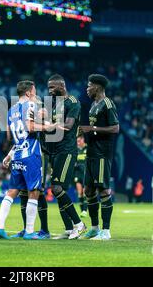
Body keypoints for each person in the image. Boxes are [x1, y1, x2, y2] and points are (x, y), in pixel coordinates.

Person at [0, 81, 63, 240]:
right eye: (34, 91)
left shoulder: (11, 110)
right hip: (31, 154)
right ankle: (30, 232)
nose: (35, 94)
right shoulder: (30, 105)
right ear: (28, 93)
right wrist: (49, 127)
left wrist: (10, 154)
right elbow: (31, 128)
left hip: (17, 154)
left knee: (12, 191)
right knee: (34, 191)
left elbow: (10, 136)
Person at [46, 74, 87, 240]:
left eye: (51, 87)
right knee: (57, 190)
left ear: (61, 86)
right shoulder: (55, 104)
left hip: (67, 151)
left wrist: (50, 124)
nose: (49, 91)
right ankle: (69, 229)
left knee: (57, 188)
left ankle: (79, 224)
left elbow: (69, 125)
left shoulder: (73, 103)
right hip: (55, 151)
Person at [80, 74, 119, 241]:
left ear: (97, 87)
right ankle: (95, 228)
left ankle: (106, 231)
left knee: (103, 190)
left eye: (89, 86)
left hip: (103, 153)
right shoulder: (93, 105)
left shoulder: (108, 104)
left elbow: (115, 128)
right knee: (88, 190)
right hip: (91, 152)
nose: (87, 89)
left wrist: (92, 128)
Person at [6, 99, 51, 239]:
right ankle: (26, 229)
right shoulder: (27, 118)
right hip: (26, 154)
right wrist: (10, 154)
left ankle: (44, 230)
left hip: (40, 154)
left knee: (39, 191)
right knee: (24, 193)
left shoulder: (43, 117)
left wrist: (45, 119)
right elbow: (20, 139)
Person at [74, 134, 88, 217]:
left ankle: (85, 211)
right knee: (80, 192)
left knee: (85, 192)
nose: (78, 143)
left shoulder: (87, 148)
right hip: (78, 174)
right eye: (77, 142)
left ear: (83, 140)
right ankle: (82, 210)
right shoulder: (76, 150)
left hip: (85, 173)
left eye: (79, 141)